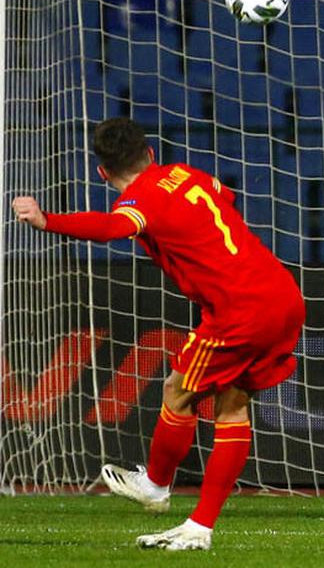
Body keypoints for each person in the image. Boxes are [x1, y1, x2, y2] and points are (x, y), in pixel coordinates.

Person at [11, 117, 305, 551]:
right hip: (282, 294)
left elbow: (113, 228)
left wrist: (45, 220)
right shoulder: (187, 173)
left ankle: (156, 486)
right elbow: (225, 197)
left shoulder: (139, 201)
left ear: (103, 173)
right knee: (231, 405)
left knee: (177, 390)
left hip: (239, 309)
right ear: (150, 154)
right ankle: (199, 526)